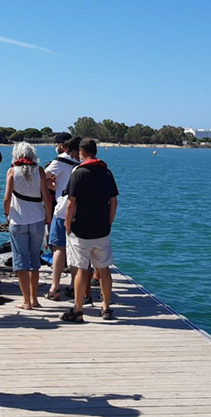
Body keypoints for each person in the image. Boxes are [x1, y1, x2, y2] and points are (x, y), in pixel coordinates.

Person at [61, 138, 119, 323]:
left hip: (80, 230)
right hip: (102, 229)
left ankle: (78, 309)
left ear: (82, 152)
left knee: (80, 270)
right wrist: (109, 222)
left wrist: (67, 225)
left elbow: (71, 203)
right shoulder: (107, 173)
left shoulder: (78, 173)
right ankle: (106, 308)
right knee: (104, 269)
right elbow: (113, 201)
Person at [3, 142, 53, 310]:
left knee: (21, 261)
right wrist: (48, 216)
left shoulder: (12, 172)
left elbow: (7, 198)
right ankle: (34, 299)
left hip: (18, 220)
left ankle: (26, 301)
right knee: (34, 260)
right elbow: (46, 196)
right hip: (37, 219)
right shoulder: (40, 171)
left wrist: (6, 214)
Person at [43, 134, 81, 301]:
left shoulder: (61, 160)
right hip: (80, 211)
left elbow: (42, 176)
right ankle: (74, 286)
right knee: (76, 249)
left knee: (59, 248)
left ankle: (55, 287)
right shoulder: (84, 163)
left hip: (62, 210)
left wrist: (52, 186)